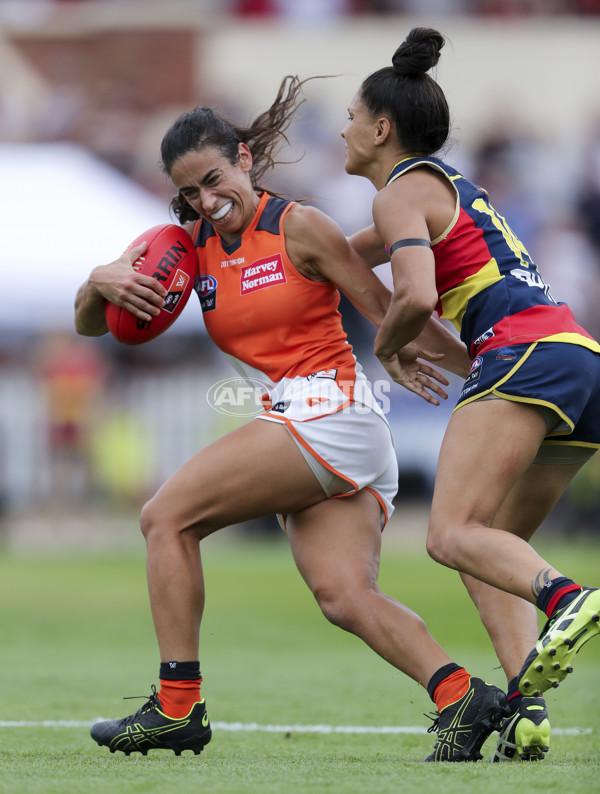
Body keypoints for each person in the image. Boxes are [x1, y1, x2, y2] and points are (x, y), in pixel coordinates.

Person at [75, 75, 508, 762]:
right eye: (190, 192)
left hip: (330, 413)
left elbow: (387, 307)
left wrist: (492, 369)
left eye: (215, 179)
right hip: (313, 426)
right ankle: (463, 697)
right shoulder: (187, 246)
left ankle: (177, 706)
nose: (207, 201)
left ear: (244, 158)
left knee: (166, 516)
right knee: (344, 597)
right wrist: (98, 281)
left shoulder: (300, 225)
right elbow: (97, 326)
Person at [344, 27, 600, 763]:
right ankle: (525, 707)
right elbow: (346, 253)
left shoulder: (400, 193)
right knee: (487, 547)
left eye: (353, 116)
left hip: (525, 354)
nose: (343, 129)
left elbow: (415, 296)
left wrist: (389, 349)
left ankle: (566, 599)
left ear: (381, 128)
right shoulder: (446, 187)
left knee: (447, 533)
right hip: (577, 359)